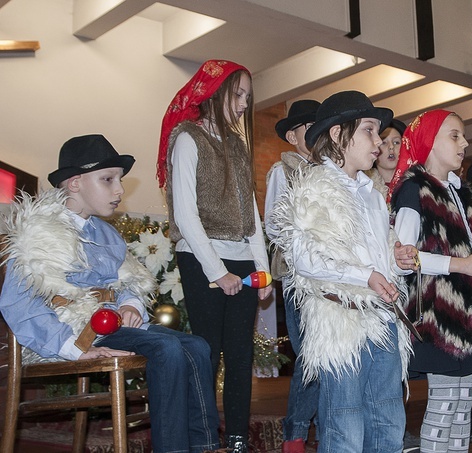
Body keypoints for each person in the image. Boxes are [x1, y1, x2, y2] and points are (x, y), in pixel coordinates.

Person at [0, 135, 221, 453]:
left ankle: (204, 445)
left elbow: (130, 280)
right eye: (108, 180)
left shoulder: (106, 234)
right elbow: (20, 303)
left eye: (119, 180)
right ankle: (172, 448)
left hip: (112, 324)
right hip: (72, 331)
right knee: (166, 348)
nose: (119, 190)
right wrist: (75, 349)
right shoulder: (37, 231)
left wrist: (130, 304)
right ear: (74, 183)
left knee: (197, 346)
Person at [269, 90, 416, 453]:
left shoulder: (372, 192)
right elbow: (306, 259)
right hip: (342, 322)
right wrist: (364, 276)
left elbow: (380, 253)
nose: (379, 141)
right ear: (338, 135)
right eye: (369, 130)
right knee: (344, 422)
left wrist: (396, 258)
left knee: (388, 418)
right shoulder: (313, 186)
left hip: (382, 320)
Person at [158, 60, 273, 453]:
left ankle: (238, 439)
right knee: (208, 350)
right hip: (202, 257)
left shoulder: (238, 146)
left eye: (247, 97)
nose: (243, 104)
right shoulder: (188, 138)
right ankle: (204, 439)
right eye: (238, 94)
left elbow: (252, 214)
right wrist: (217, 271)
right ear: (214, 92)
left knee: (240, 354)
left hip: (240, 258)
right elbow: (185, 214)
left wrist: (262, 269)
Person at [389, 109, 472, 453]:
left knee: (461, 408)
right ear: (429, 141)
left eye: (463, 135)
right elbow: (404, 261)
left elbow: (471, 250)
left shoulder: (464, 192)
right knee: (443, 406)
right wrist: (461, 265)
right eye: (454, 135)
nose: (465, 143)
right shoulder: (414, 190)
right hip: (441, 316)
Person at [264, 99, 321, 453]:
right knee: (311, 355)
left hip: (331, 279)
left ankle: (321, 428)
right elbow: (274, 224)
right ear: (292, 135)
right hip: (299, 278)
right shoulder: (281, 171)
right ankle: (295, 434)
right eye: (308, 129)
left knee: (328, 354)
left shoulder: (332, 171)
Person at [367, 118, 407, 199]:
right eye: (384, 142)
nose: (391, 147)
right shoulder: (365, 186)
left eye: (396, 142)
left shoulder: (415, 185)